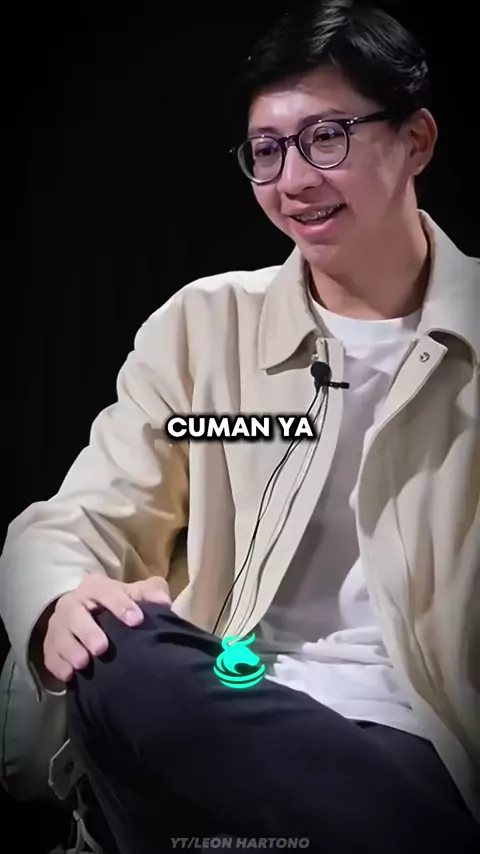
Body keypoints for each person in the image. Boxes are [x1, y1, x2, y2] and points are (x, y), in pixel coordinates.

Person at [1, 1, 480, 851]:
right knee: (120, 650)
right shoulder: (205, 325)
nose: (294, 180)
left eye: (327, 137)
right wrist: (58, 601)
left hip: (408, 734)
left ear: (417, 140)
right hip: (214, 698)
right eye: (267, 150)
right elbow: (76, 520)